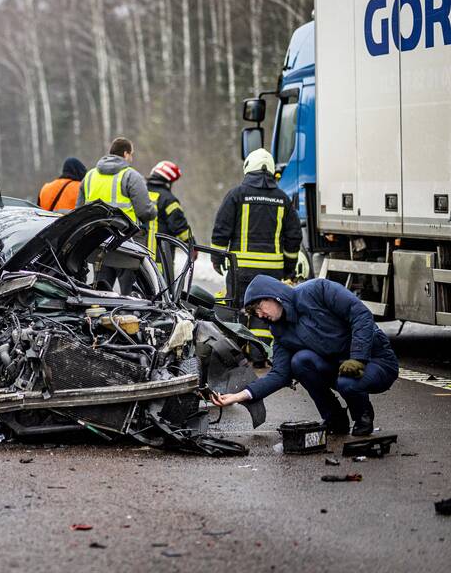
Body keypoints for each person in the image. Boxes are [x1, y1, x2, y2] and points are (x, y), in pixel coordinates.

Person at [211, 274, 399, 436]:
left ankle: (362, 417)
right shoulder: (280, 331)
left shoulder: (317, 290)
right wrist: (239, 396)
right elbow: (280, 374)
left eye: (260, 307)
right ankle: (334, 419)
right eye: (255, 312)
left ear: (273, 296)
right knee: (300, 362)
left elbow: (360, 315)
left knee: (346, 382)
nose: (260, 315)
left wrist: (358, 358)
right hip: (340, 366)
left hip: (376, 359)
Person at [210, 148, 302, 346]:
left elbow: (221, 229)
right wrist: (289, 267)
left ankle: (238, 351)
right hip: (272, 271)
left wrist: (217, 258)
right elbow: (294, 236)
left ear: (248, 168)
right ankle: (260, 354)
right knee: (265, 311)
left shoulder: (236, 195)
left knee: (239, 309)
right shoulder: (282, 199)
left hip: (240, 269)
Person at [78, 137, 157, 293]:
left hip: (98, 243)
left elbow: (79, 211)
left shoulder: (89, 176)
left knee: (100, 293)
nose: (132, 158)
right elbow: (145, 212)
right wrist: (154, 209)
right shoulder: (131, 176)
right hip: (127, 244)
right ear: (126, 153)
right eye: (131, 154)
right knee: (130, 296)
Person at [145, 160, 195, 285]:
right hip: (160, 257)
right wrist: (191, 245)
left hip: (137, 255)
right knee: (163, 292)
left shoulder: (139, 193)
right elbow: (180, 227)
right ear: (168, 181)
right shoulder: (168, 199)